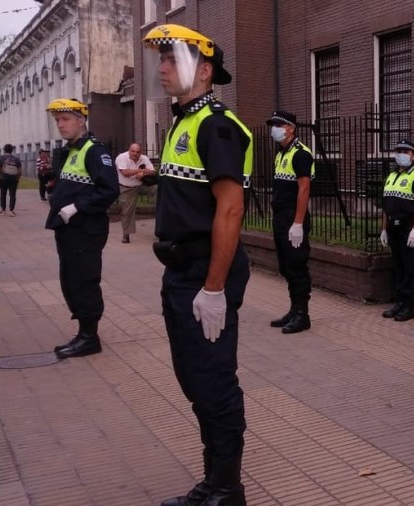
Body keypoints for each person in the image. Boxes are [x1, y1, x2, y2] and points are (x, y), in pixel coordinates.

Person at [142, 24, 253, 506]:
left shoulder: (217, 126)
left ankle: (226, 488)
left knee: (213, 382)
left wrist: (213, 289)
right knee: (193, 379)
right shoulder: (183, 122)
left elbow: (230, 211)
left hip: (205, 272)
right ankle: (213, 481)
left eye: (173, 60)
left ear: (204, 71)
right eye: (162, 60)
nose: (163, 68)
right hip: (180, 271)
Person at [43, 99, 119, 359]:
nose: (60, 125)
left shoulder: (95, 151)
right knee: (70, 280)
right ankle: (83, 333)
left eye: (65, 119)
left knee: (84, 281)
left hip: (85, 229)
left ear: (81, 120)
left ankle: (89, 338)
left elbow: (109, 190)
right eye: (57, 120)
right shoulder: (72, 150)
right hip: (68, 228)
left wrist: (76, 206)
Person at [265, 110, 314, 334]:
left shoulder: (301, 154)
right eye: (273, 125)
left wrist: (298, 223)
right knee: (286, 266)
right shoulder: (281, 153)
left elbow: (304, 190)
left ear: (291, 128)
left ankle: (302, 315)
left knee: (297, 265)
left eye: (278, 125)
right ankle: (294, 310)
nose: (274, 129)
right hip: (281, 217)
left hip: (294, 217)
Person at [380, 138, 414, 322]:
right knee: (399, 266)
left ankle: (409, 306)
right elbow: (386, 206)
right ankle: (399, 302)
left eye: (406, 152)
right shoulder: (391, 177)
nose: (402, 155)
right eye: (399, 151)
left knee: (410, 267)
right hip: (394, 229)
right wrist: (384, 229)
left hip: (409, 230)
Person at [115, 142, 157, 243]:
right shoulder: (121, 158)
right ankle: (126, 235)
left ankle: (161, 214)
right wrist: (139, 171)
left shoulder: (144, 158)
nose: (135, 154)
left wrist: (143, 173)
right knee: (127, 211)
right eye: (133, 151)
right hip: (127, 188)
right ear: (129, 150)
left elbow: (153, 171)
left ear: (140, 152)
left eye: (137, 152)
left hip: (141, 185)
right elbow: (125, 173)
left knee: (157, 189)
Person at [0, 144, 22, 216]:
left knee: (3, 194)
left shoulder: (0, 158)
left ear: (4, 150)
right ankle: (11, 211)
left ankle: (3, 210)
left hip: (3, 178)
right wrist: (17, 178)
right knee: (12, 194)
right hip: (13, 178)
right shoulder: (16, 159)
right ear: (12, 150)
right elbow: (20, 171)